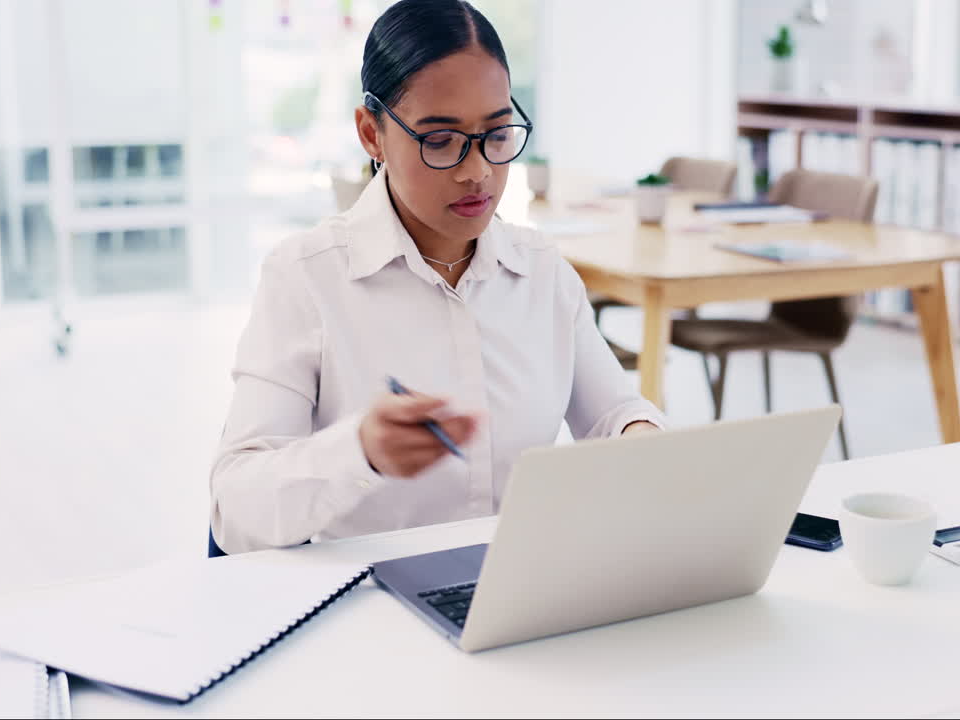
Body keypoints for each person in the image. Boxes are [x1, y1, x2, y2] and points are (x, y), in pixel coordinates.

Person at [209, 0, 664, 555]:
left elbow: (614, 414)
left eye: (497, 134)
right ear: (371, 134)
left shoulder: (543, 273)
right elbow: (236, 514)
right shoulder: (306, 279)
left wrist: (638, 436)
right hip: (371, 594)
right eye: (440, 140)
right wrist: (358, 452)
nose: (478, 171)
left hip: (520, 580)